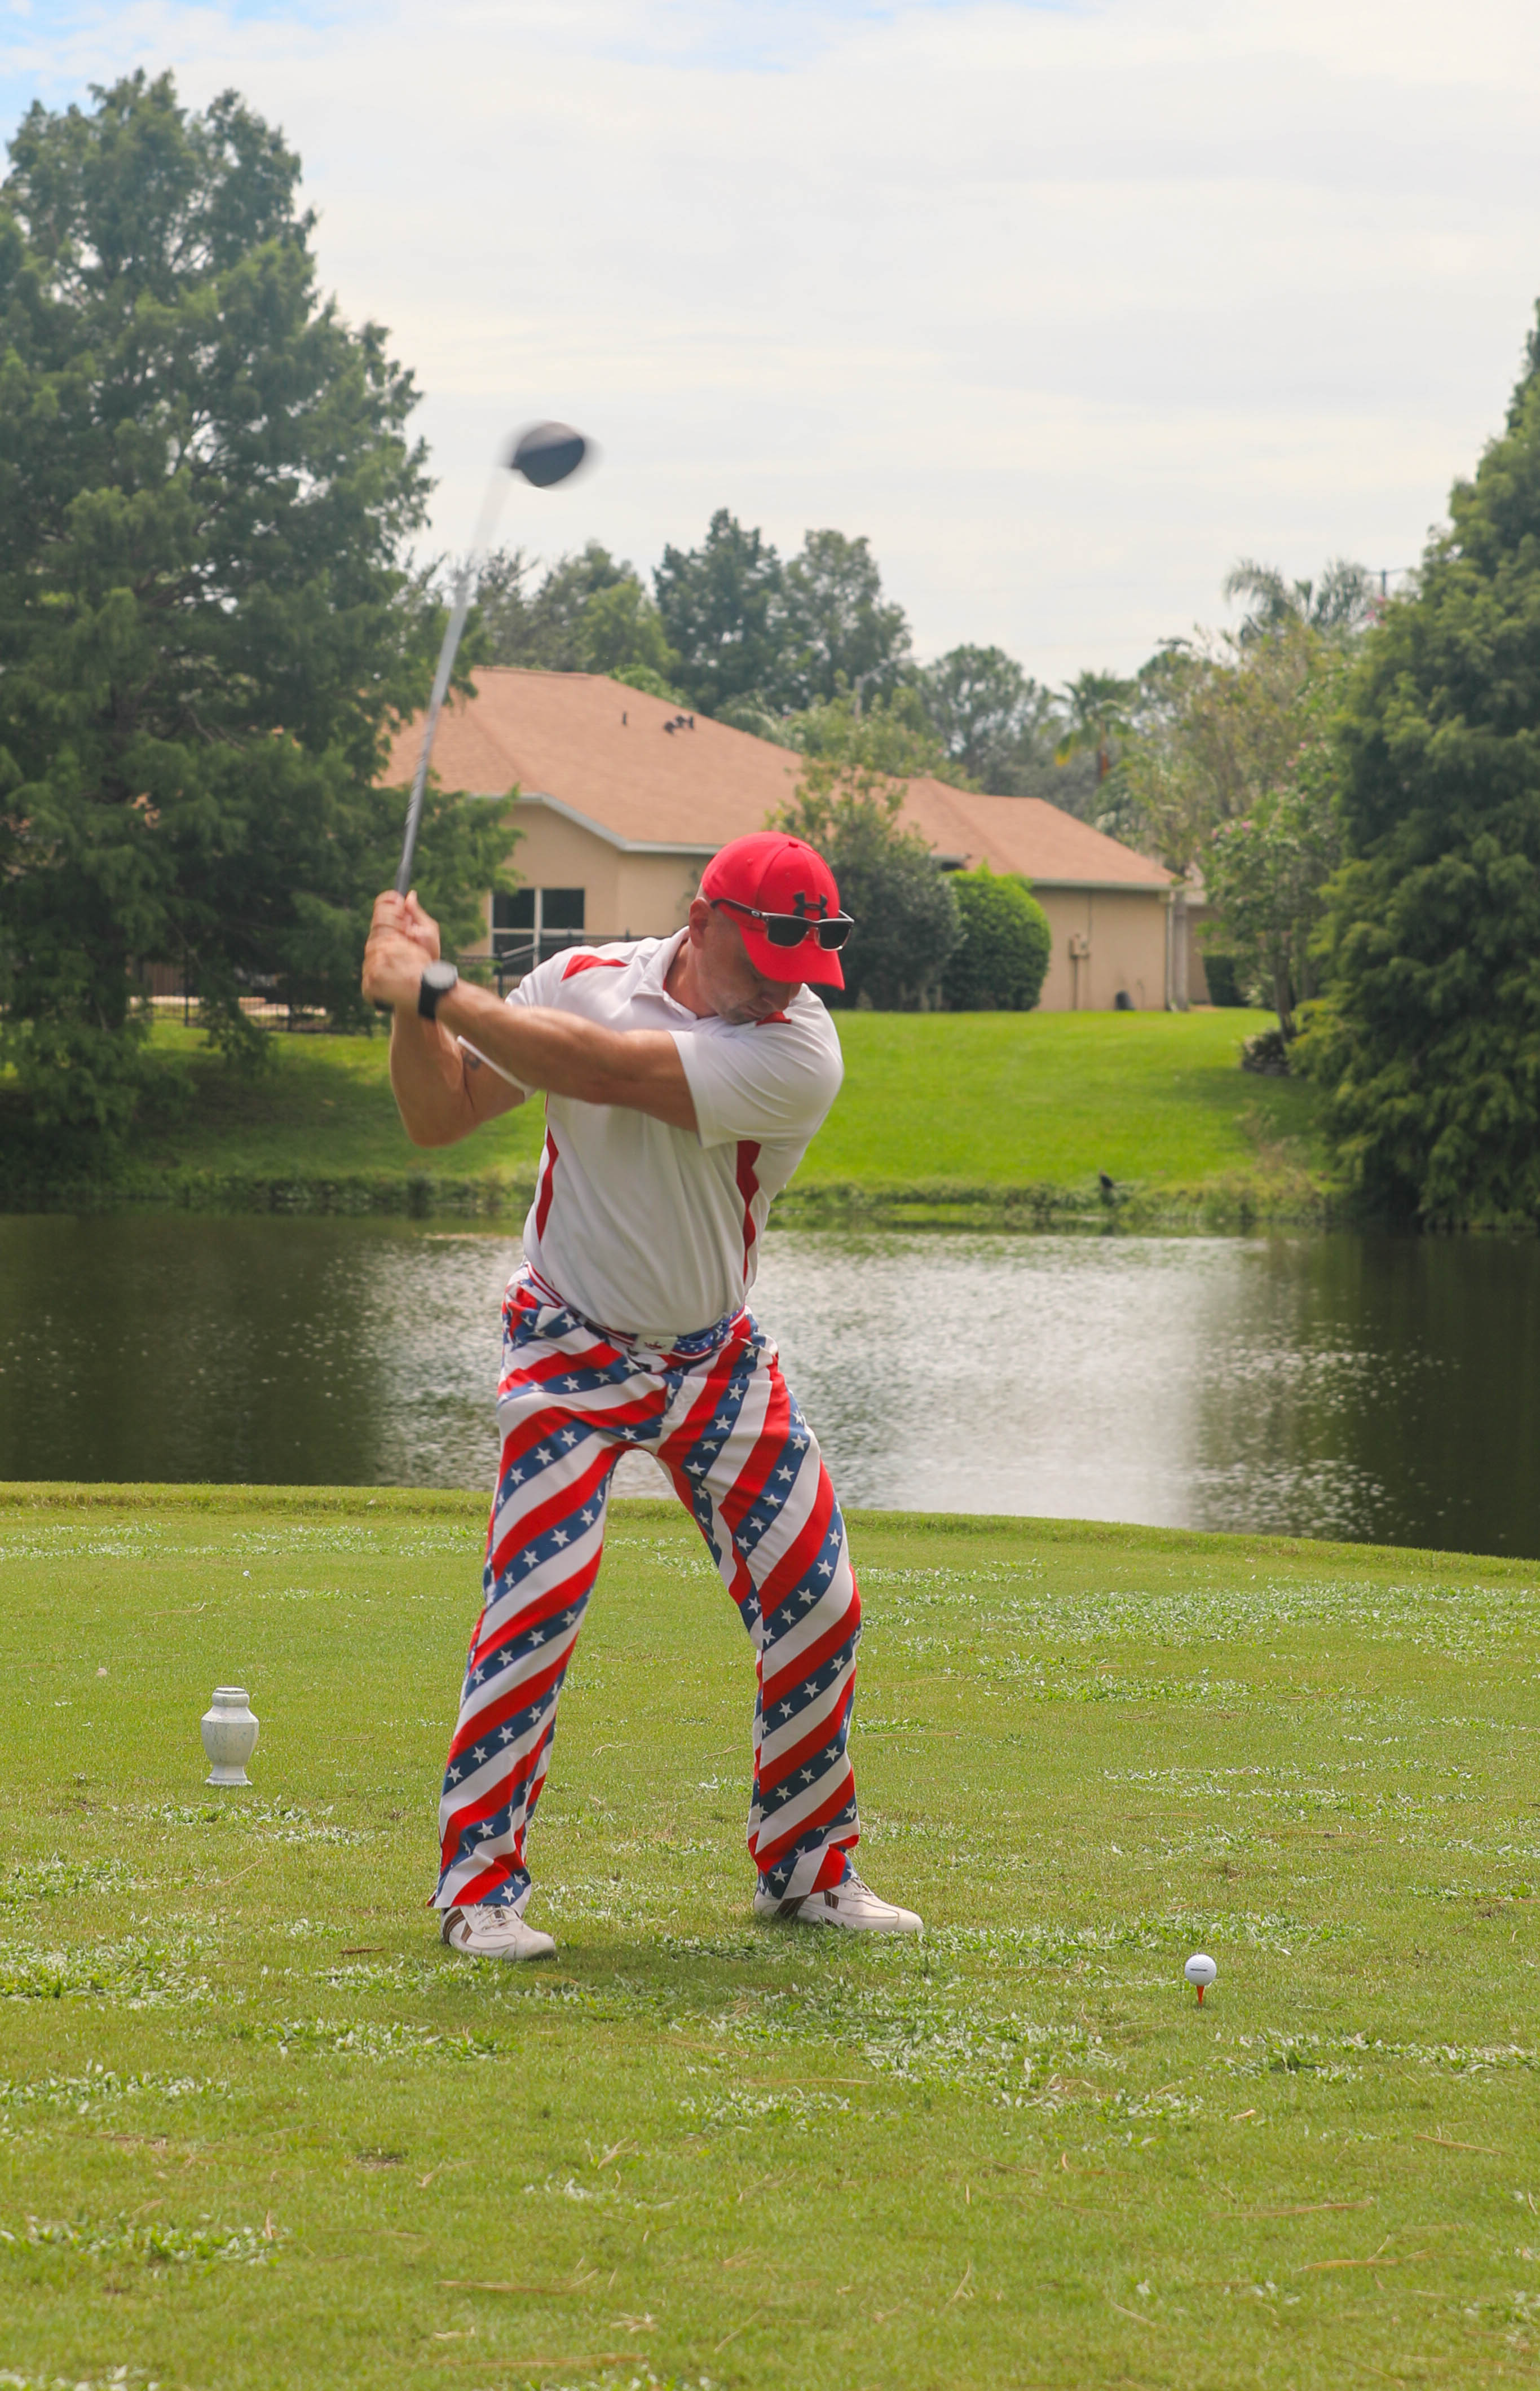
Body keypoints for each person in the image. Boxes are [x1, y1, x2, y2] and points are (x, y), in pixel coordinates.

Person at [361, 831, 923, 1961]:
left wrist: (434, 983)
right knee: (535, 1604)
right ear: (704, 921)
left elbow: (605, 1071)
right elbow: (440, 1116)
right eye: (767, 956)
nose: (786, 984)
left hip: (716, 1357)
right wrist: (411, 1012)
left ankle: (808, 1870)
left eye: (803, 965)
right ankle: (478, 1893)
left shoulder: (797, 1051)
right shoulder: (576, 979)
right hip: (567, 1339)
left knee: (817, 1596)